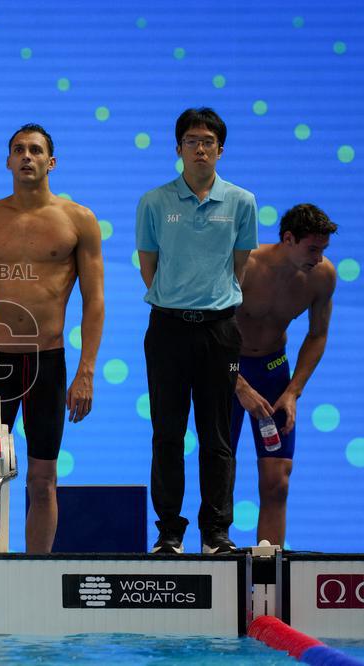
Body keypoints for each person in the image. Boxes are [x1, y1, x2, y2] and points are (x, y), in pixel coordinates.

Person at [0, 123, 105, 554]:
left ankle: (36, 572)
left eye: (35, 150)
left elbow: (95, 301)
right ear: (7, 161)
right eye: (18, 150)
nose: (26, 157)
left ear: (51, 162)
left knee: (42, 481)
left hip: (48, 365)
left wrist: (86, 372)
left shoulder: (78, 220)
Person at [136, 107, 258, 554]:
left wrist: (208, 302)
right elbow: (149, 269)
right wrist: (180, 300)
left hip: (219, 330)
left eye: (208, 141)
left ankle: (216, 533)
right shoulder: (154, 202)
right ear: (178, 149)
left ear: (220, 150)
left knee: (217, 434)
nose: (200, 148)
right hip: (167, 329)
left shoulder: (242, 202)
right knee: (167, 432)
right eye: (191, 141)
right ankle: (169, 532)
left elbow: (238, 267)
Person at [232, 204, 337, 547]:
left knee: (277, 481)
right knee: (218, 472)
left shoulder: (322, 277)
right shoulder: (243, 265)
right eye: (313, 249)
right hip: (228, 370)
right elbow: (210, 328)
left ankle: (267, 576)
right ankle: (213, 553)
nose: (319, 258)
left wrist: (293, 391)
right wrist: (236, 383)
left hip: (274, 373)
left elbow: (318, 334)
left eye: (323, 250)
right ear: (288, 239)